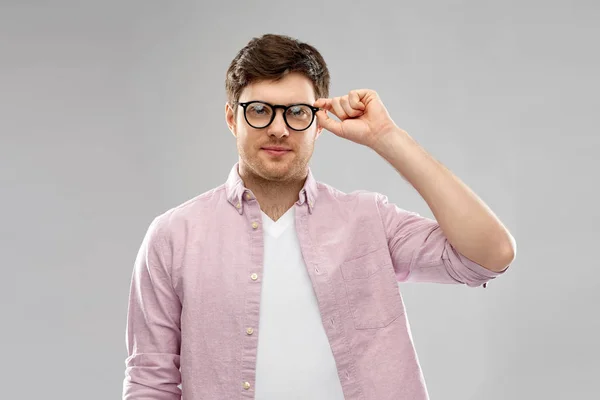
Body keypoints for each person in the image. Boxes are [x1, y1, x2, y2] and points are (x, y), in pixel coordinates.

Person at [122, 33, 515, 400]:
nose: (278, 129)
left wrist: (386, 137)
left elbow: (490, 254)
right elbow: (149, 380)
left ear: (318, 123)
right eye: (259, 110)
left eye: (296, 112)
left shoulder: (368, 219)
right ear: (231, 118)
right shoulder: (174, 235)